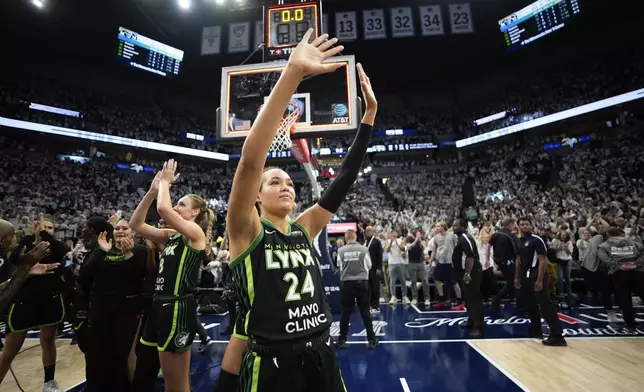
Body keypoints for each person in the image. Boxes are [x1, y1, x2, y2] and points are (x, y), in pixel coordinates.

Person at [214, 29, 376, 392]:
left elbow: (344, 179)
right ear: (255, 196)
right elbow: (250, 162)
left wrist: (369, 118)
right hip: (273, 362)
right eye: (274, 182)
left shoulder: (303, 229)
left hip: (321, 353)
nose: (286, 186)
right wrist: (292, 74)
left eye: (289, 182)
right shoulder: (246, 231)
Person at [130, 163, 215, 392]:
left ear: (195, 212)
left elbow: (164, 210)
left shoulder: (194, 234)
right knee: (152, 373)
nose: (176, 207)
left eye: (181, 204)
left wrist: (166, 183)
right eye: (176, 203)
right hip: (158, 305)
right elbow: (135, 225)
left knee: (175, 386)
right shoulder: (172, 236)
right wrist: (152, 192)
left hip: (177, 307)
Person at [0, 216, 68, 392]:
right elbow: (15, 259)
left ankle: (49, 383)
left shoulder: (54, 244)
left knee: (48, 341)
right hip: (24, 302)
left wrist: (45, 235)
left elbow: (63, 251)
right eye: (42, 226)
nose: (46, 229)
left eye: (50, 227)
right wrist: (33, 239)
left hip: (49, 300)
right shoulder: (24, 243)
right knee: (10, 350)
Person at [79, 220, 148, 392]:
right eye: (117, 228)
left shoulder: (139, 251)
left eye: (125, 228)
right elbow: (85, 275)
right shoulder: (101, 249)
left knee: (121, 354)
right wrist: (101, 251)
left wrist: (127, 254)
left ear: (134, 233)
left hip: (127, 310)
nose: (120, 231)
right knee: (95, 353)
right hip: (99, 308)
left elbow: (137, 277)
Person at [514, 217, 567, 346]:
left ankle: (557, 335)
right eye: (522, 224)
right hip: (525, 276)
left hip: (537, 275)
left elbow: (543, 260)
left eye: (527, 224)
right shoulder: (519, 241)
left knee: (545, 305)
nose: (525, 226)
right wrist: (517, 277)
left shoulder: (537, 240)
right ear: (518, 227)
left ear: (531, 226)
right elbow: (518, 260)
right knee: (530, 304)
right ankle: (536, 329)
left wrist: (539, 280)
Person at [337, 229, 378, 349]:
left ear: (346, 238)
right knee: (365, 312)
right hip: (362, 284)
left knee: (345, 312)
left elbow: (339, 265)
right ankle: (371, 340)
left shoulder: (341, 250)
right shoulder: (364, 249)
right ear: (355, 238)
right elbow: (369, 265)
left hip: (347, 284)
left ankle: (342, 340)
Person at [597, 227, 644, 329]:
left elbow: (605, 259)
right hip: (637, 272)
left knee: (625, 299)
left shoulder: (604, 245)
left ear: (608, 235)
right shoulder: (634, 242)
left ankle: (630, 324)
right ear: (621, 233)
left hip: (618, 274)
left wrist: (619, 266)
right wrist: (636, 264)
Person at [451, 219, 485, 338]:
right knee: (469, 298)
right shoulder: (460, 238)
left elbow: (470, 256)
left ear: (462, 226)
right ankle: (471, 320)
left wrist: (467, 273)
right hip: (465, 273)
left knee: (474, 299)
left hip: (472, 273)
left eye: (455, 225)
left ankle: (478, 326)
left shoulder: (465, 237)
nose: (453, 227)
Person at [428, 223, 463, 310]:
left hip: (451, 262)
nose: (436, 228)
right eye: (436, 226)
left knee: (454, 282)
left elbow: (457, 248)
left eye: (438, 226)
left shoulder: (452, 235)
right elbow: (434, 251)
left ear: (443, 227)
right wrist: (430, 261)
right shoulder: (436, 237)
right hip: (441, 262)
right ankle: (442, 299)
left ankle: (460, 301)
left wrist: (458, 260)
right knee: (436, 279)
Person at [489, 218, 520, 312]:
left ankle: (498, 300)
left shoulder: (495, 234)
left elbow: (488, 246)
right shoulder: (511, 236)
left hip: (499, 262)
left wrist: (490, 260)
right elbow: (517, 251)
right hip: (509, 262)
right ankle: (497, 300)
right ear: (510, 224)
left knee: (511, 283)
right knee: (515, 281)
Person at [406, 224, 429, 305]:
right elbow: (409, 247)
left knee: (425, 281)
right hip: (412, 262)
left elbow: (425, 247)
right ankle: (415, 298)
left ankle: (427, 298)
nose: (416, 231)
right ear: (412, 230)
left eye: (417, 229)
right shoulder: (409, 238)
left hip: (421, 262)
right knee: (413, 281)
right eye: (415, 229)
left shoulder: (421, 238)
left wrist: (419, 239)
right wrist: (416, 239)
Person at [386, 230, 410, 305]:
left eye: (395, 233)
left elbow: (403, 249)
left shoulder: (401, 240)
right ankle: (393, 297)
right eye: (392, 233)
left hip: (400, 263)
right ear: (390, 235)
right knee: (392, 281)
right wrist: (391, 242)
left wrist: (397, 243)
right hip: (391, 263)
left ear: (397, 234)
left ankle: (405, 296)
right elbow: (387, 250)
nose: (394, 234)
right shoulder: (388, 240)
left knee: (403, 280)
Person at [363, 226, 383, 314]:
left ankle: (375, 305)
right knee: (369, 287)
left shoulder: (377, 242)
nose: (368, 232)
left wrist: (379, 267)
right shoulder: (365, 242)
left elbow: (380, 255)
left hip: (375, 268)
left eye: (370, 230)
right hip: (367, 268)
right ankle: (370, 305)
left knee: (375, 287)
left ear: (373, 231)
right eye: (367, 231)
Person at [552, 230, 574, 308]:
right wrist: (560, 247)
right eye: (562, 235)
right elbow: (553, 251)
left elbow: (570, 253)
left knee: (567, 278)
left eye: (565, 235)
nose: (563, 236)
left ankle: (569, 293)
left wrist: (565, 248)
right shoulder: (555, 241)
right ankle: (561, 294)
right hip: (559, 260)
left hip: (567, 260)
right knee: (560, 278)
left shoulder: (569, 242)